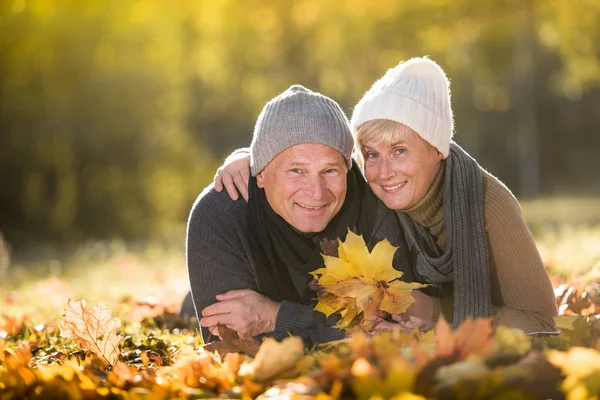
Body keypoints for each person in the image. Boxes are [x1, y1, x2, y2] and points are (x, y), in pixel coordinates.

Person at [212, 57, 558, 333]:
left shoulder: (487, 205)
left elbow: (543, 321)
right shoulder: (368, 189)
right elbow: (307, 149)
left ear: (437, 149)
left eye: (400, 150)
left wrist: (439, 313)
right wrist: (247, 157)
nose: (383, 171)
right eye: (372, 153)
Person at [184, 84, 412, 345]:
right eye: (296, 171)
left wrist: (276, 317)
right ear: (260, 174)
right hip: (230, 272)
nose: (317, 193)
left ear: (348, 171)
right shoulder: (221, 212)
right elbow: (230, 344)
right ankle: (188, 301)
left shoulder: (375, 204)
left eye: (330, 171)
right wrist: (337, 327)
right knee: (193, 311)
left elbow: (397, 327)